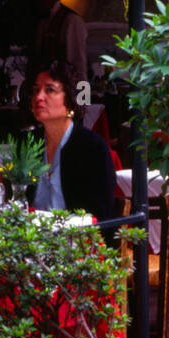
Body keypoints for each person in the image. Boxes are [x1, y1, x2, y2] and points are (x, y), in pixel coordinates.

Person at [29, 62, 116, 223]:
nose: (38, 97)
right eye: (36, 90)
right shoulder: (28, 144)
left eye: (50, 90)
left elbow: (102, 216)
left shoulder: (92, 148)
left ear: (69, 99)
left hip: (77, 236)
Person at [32, 0, 89, 101]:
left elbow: (78, 64)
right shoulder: (41, 22)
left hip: (63, 95)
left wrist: (83, 100)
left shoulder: (71, 21)